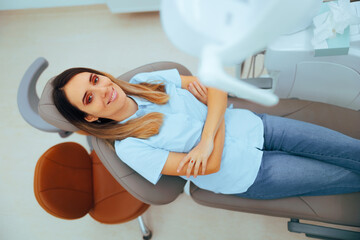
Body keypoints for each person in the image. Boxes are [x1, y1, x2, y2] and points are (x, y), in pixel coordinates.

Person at [52, 67, 360, 199]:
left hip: (257, 126)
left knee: (351, 150)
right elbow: (210, 166)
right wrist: (216, 112)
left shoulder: (147, 80)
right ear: (89, 117)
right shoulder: (130, 148)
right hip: (251, 174)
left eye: (94, 79)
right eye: (89, 98)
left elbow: (217, 88)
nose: (103, 90)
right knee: (348, 178)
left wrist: (207, 136)